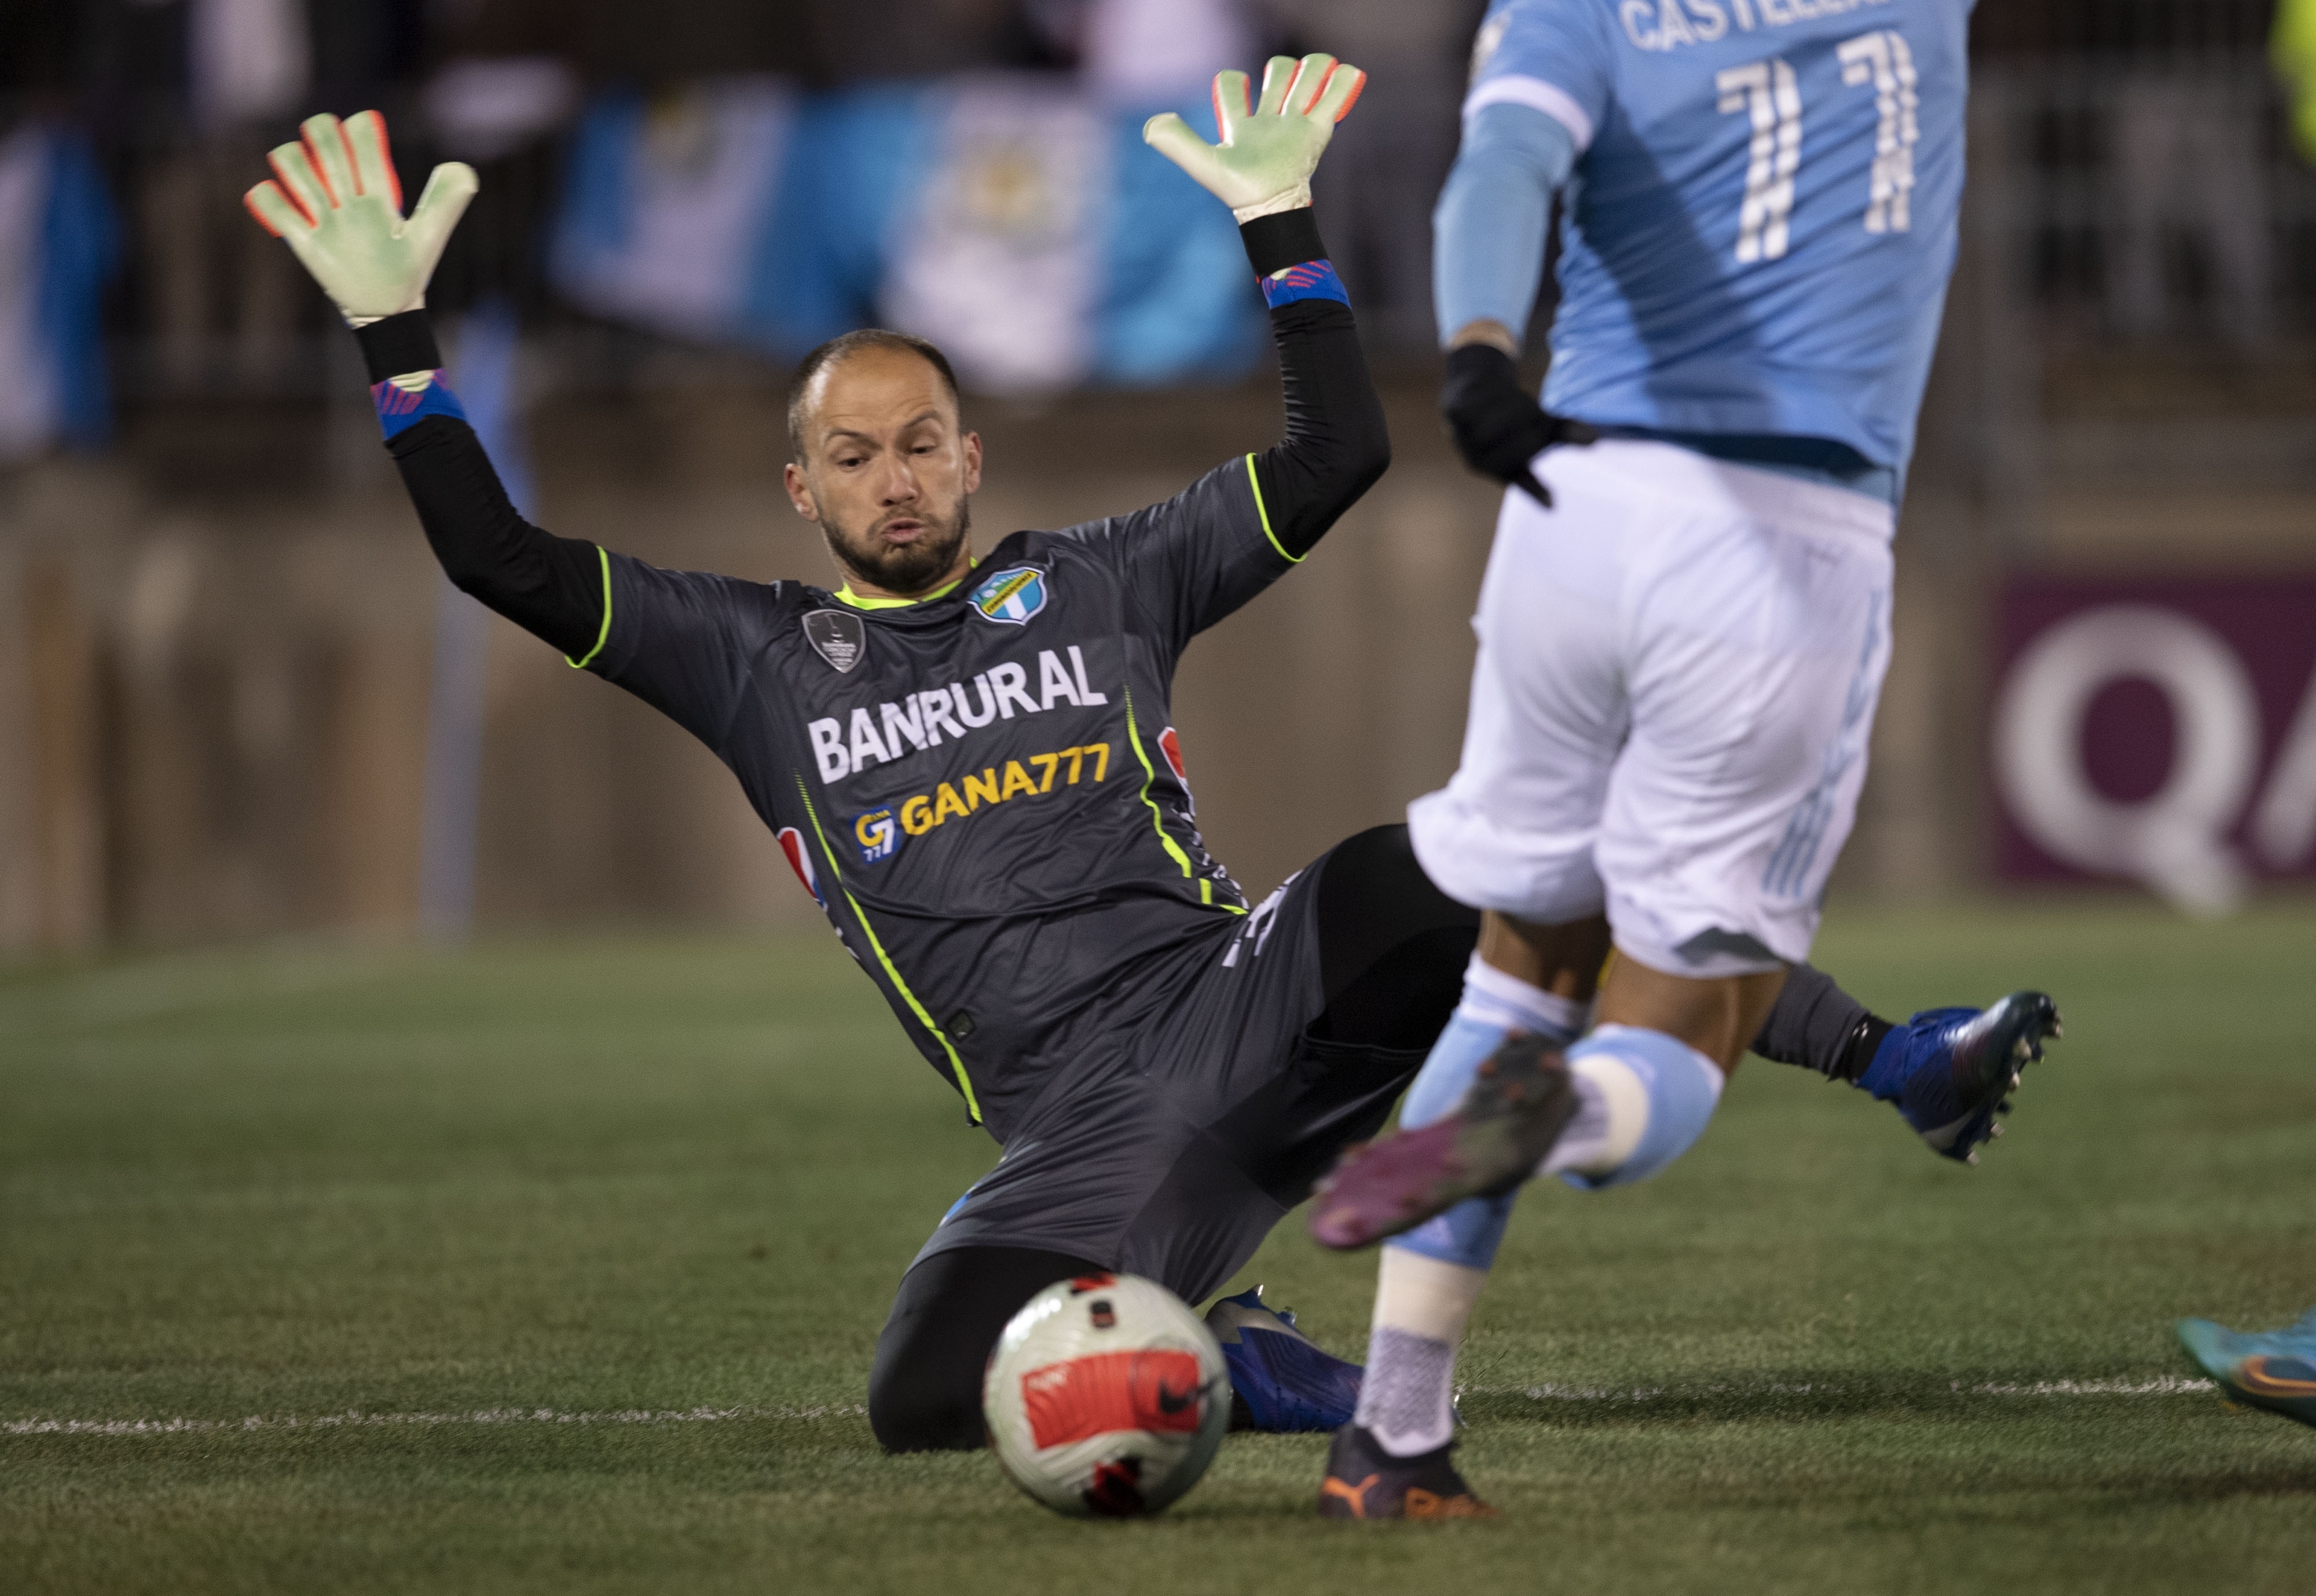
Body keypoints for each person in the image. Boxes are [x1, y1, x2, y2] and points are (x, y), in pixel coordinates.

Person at [243, 63, 2028, 1459]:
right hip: (1080, 1142)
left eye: (921, 442)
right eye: (853, 456)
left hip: (1244, 997)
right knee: (926, 1400)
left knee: (1480, 861)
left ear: (972, 452)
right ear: (803, 492)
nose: (893, 478)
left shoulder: (1092, 581)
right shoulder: (749, 661)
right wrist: (394, 342)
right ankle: (1228, 1356)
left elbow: (1332, 458)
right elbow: (505, 563)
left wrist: (1279, 226)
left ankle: (1896, 1057)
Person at [1306, 1, 2063, 1518]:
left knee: (1518, 972)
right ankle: (1553, 1117)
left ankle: (1392, 1439)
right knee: (1689, 1022)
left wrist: (1472, 357)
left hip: (1569, 496)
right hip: (1780, 535)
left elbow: (1498, 166)